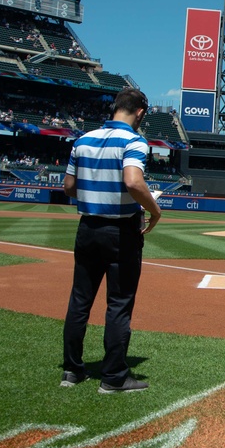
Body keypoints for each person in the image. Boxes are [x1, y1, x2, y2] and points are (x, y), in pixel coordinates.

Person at [60, 88, 162, 394]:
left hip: (87, 228)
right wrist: (153, 211)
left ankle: (71, 370)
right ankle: (114, 376)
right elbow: (133, 181)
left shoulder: (82, 140)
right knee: (118, 303)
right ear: (140, 113)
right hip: (120, 233)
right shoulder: (134, 141)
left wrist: (96, 194)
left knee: (80, 300)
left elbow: (68, 186)